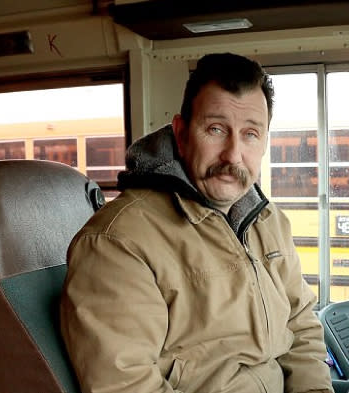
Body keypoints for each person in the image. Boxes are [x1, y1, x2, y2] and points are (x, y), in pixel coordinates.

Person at [60, 52, 334, 393]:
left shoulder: (268, 221)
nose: (232, 155)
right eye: (216, 129)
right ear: (181, 133)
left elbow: (302, 326)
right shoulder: (117, 242)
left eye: (250, 134)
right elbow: (126, 385)